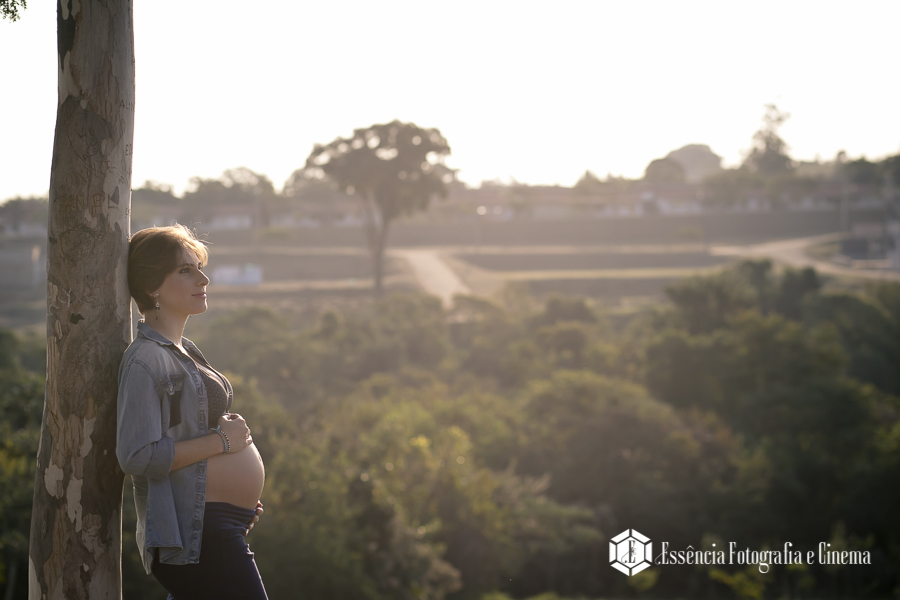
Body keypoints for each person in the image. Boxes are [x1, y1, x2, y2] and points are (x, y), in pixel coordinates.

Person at [116, 224, 268, 600]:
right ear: (152, 286)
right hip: (197, 533)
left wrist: (239, 504)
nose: (203, 277)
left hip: (216, 525)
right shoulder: (145, 361)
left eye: (198, 266)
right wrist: (220, 442)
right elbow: (137, 455)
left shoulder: (183, 349)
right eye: (185, 270)